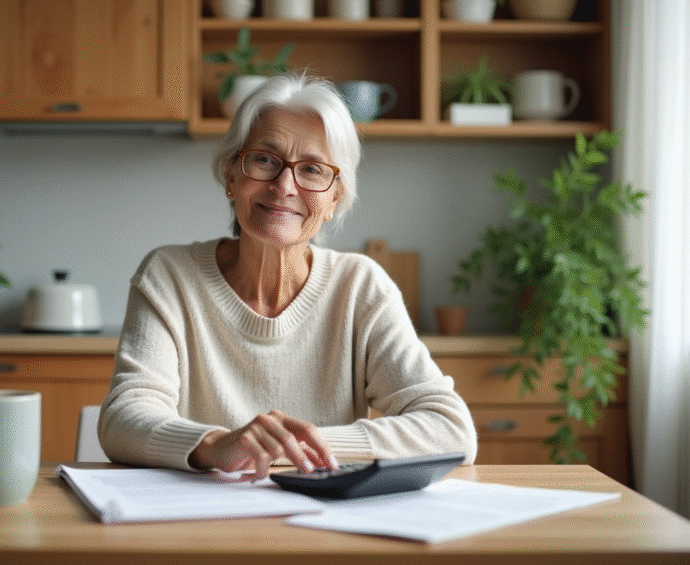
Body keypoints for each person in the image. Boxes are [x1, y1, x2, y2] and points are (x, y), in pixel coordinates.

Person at [99, 73, 477, 478]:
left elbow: (452, 431)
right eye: (265, 160)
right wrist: (214, 445)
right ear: (232, 176)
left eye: (312, 169)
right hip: (201, 514)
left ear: (334, 199)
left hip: (326, 515)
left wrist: (297, 448)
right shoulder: (170, 276)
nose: (284, 186)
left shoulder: (360, 287)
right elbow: (123, 417)